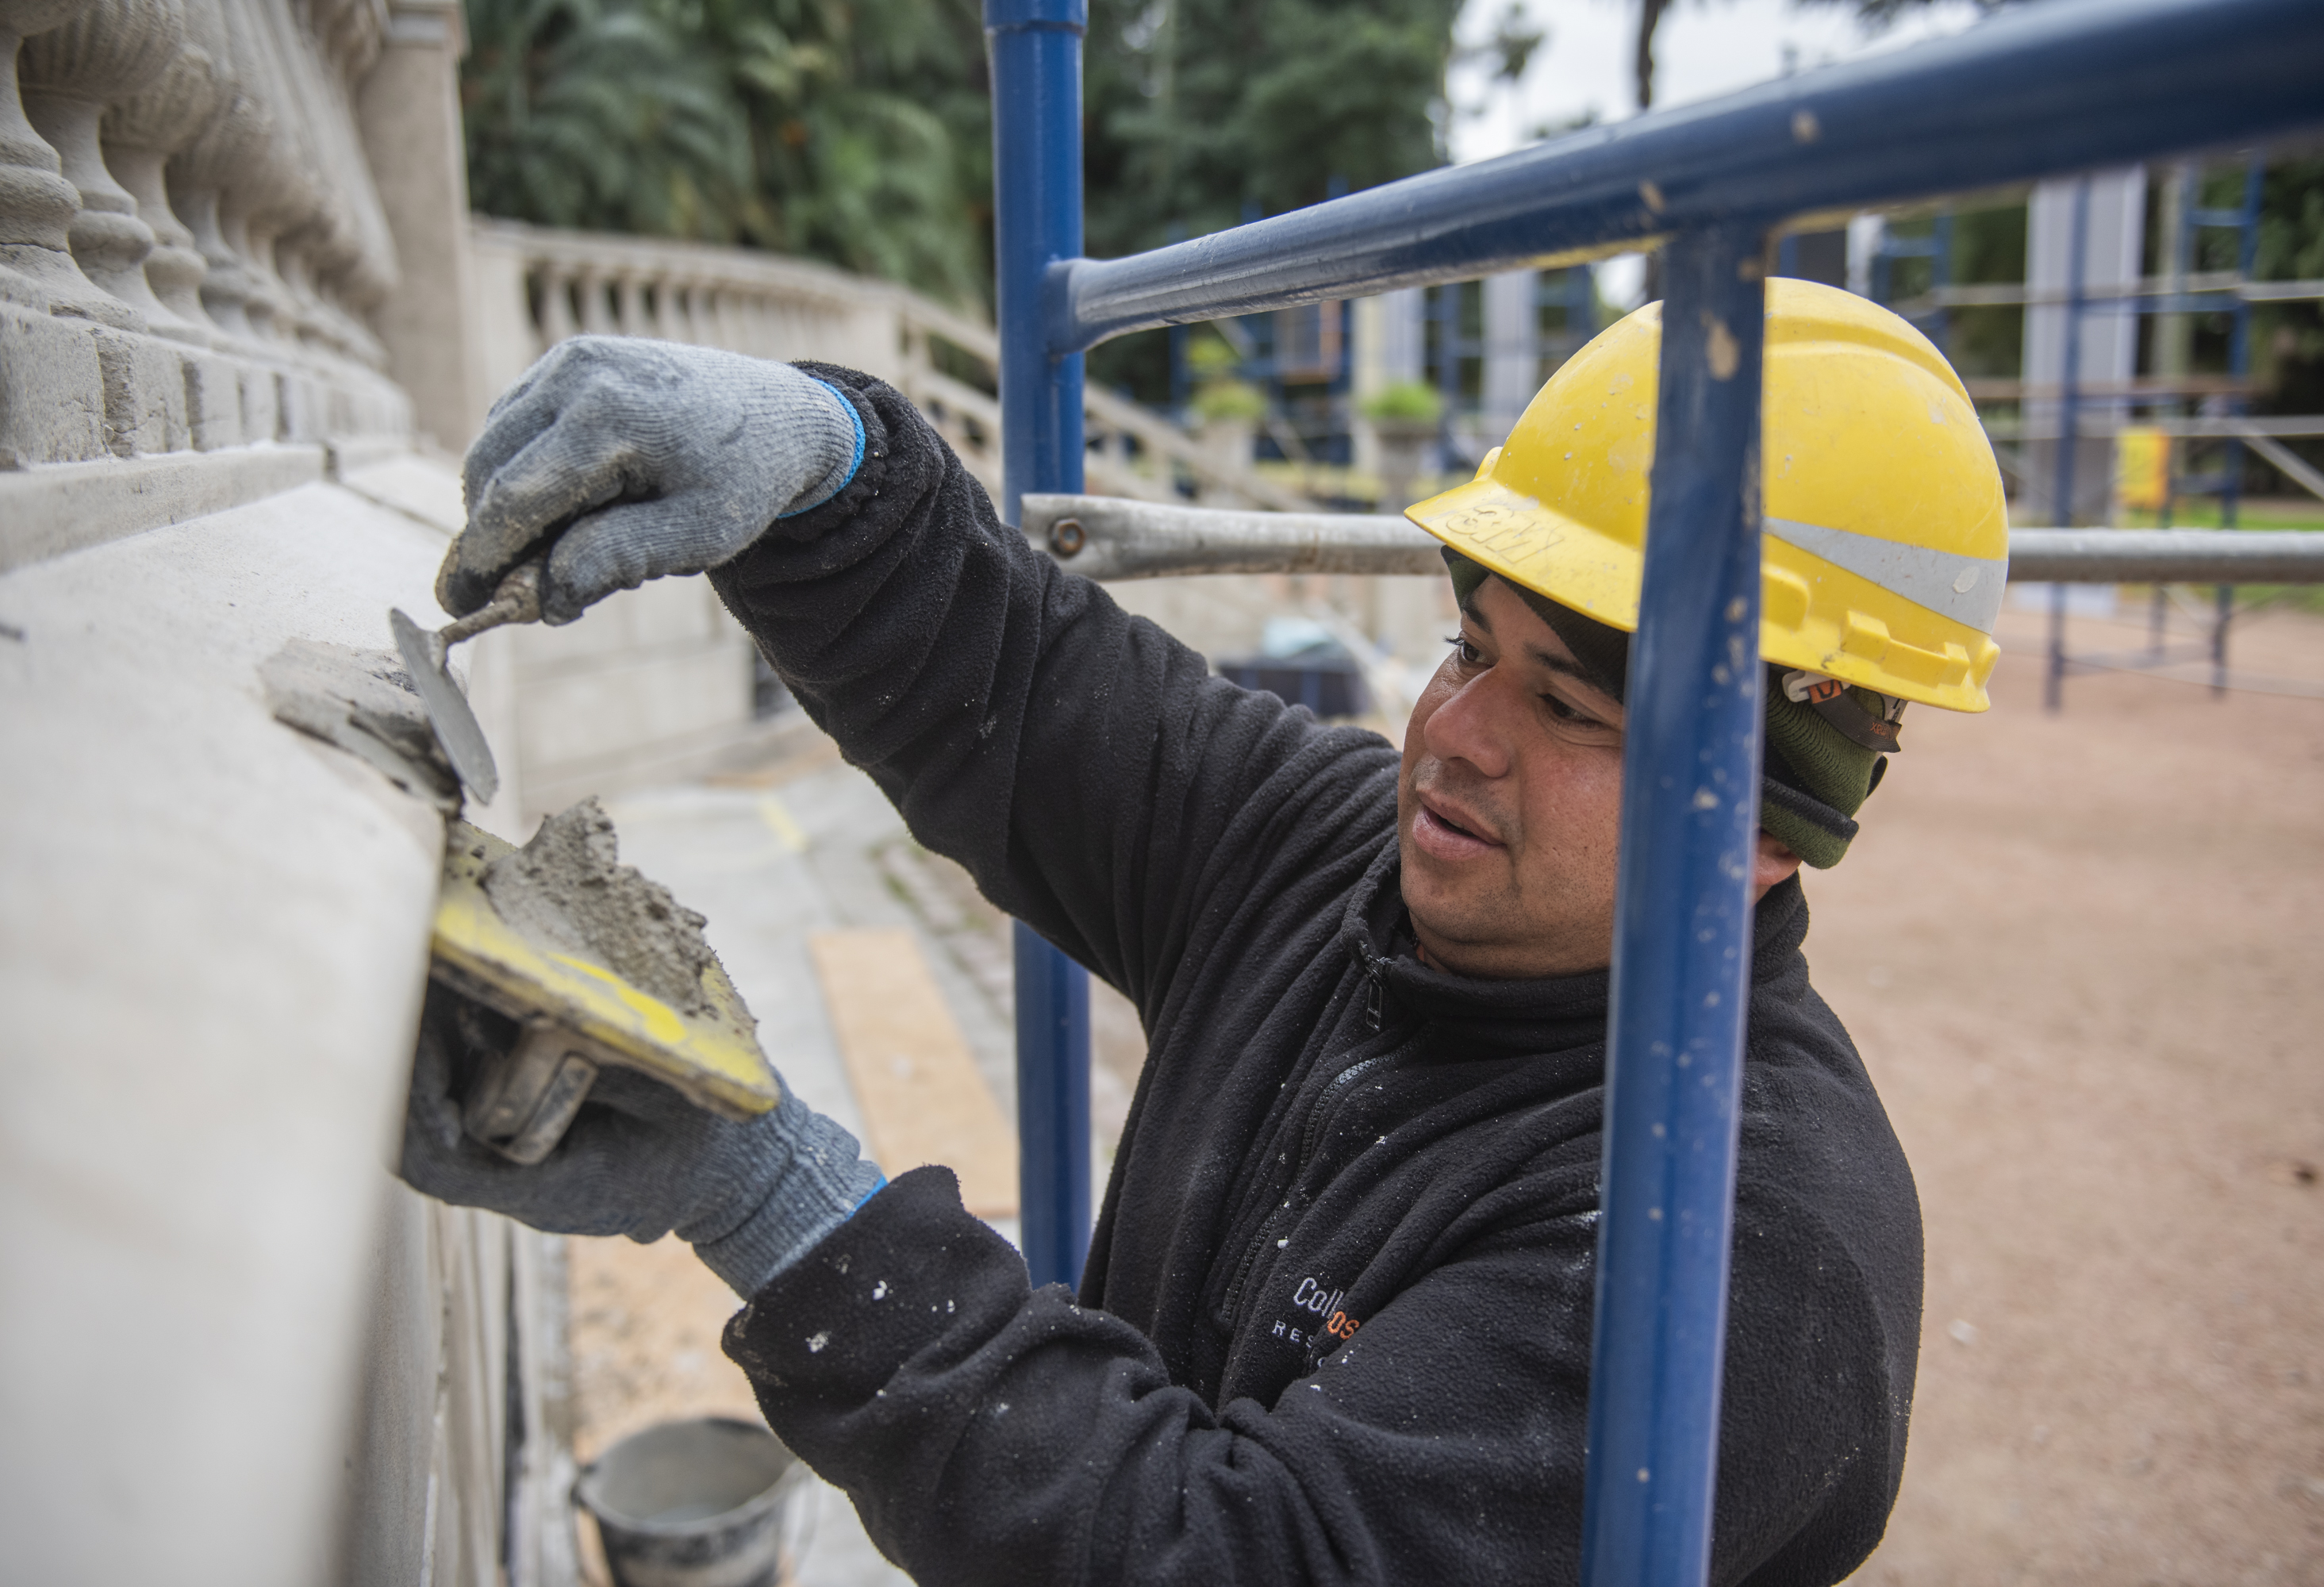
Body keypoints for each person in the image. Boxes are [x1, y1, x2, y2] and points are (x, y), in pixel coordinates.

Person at [403, 279, 2009, 1586]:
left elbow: (1231, 1556)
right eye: (1465, 645)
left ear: (1762, 819)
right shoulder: (1347, 863)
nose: (1451, 732)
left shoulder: (1738, 1261)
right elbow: (1038, 706)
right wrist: (822, 472)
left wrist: (772, 1194)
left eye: (1566, 702)